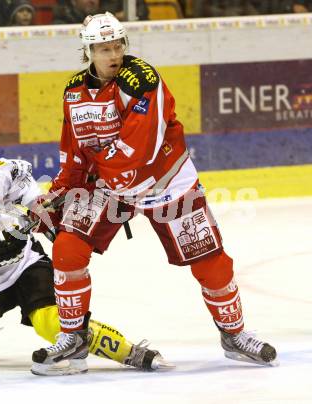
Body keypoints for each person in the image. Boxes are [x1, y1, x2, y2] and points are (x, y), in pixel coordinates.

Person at [30, 12, 278, 375]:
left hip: (166, 183)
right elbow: (74, 149)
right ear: (88, 51)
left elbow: (139, 150)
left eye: (117, 45)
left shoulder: (142, 79)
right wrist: (62, 190)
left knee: (212, 262)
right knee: (68, 249)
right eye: (102, 48)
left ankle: (235, 335)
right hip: (112, 186)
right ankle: (74, 338)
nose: (112, 54)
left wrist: (96, 179)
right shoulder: (74, 93)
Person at [0, 145, 169, 375]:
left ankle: (127, 351)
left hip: (24, 264)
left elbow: (19, 176)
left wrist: (39, 210)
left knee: (52, 323)